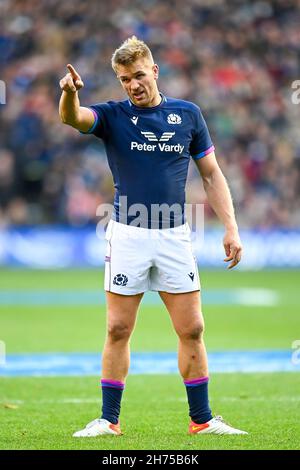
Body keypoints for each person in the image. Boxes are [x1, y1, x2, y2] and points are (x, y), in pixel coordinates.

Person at [59, 36, 247, 436]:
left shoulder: (188, 114)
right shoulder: (111, 116)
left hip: (175, 236)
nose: (133, 85)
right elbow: (72, 120)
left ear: (155, 71)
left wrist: (230, 226)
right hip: (127, 235)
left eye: (139, 75)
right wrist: (70, 95)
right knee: (117, 329)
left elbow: (211, 174)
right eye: (124, 79)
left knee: (192, 328)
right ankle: (109, 421)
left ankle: (202, 420)